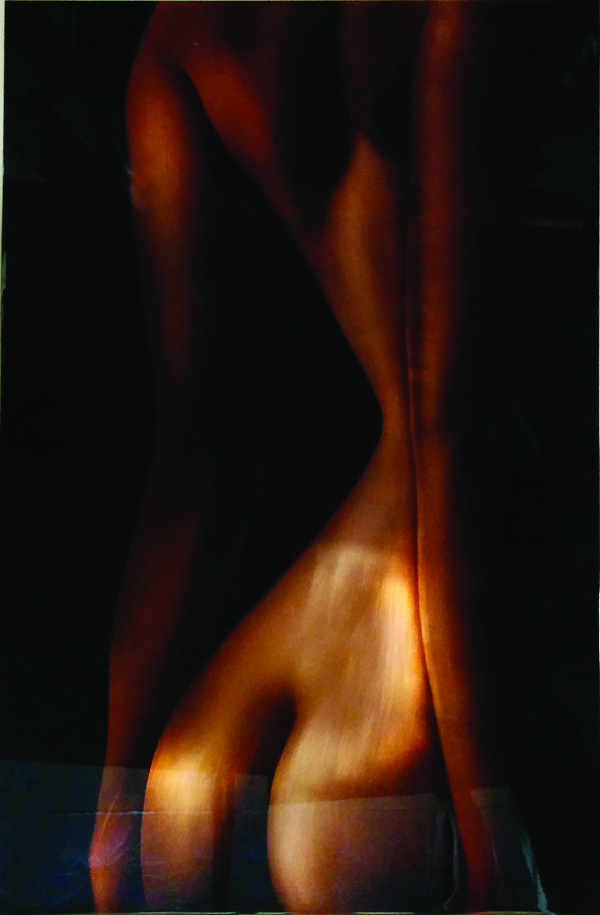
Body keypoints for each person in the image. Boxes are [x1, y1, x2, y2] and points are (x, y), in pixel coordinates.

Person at [90, 3, 548, 912]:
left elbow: (200, 447)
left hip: (208, 735)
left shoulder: (176, 36)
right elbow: (446, 428)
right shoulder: (450, 15)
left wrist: (114, 808)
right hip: (418, 632)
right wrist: (494, 830)